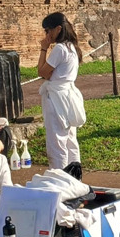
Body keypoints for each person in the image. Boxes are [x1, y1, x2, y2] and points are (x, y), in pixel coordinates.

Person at [37, 12, 86, 170]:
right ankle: (74, 176)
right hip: (68, 95)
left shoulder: (59, 48)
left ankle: (60, 178)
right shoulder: (72, 47)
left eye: (48, 30)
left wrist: (43, 49)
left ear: (58, 29)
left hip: (57, 97)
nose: (47, 34)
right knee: (70, 140)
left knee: (57, 141)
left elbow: (43, 72)